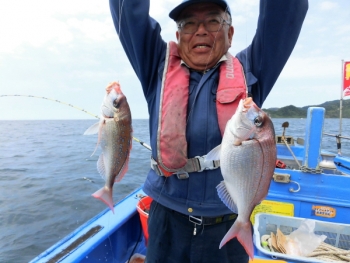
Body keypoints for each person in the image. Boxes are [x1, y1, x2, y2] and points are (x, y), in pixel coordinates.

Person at [109, 0, 308, 262]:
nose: (201, 30)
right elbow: (129, 15)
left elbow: (285, 14)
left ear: (230, 33)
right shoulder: (156, 67)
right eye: (189, 23)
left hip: (226, 224)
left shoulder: (252, 71)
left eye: (213, 21)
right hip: (166, 220)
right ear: (178, 36)